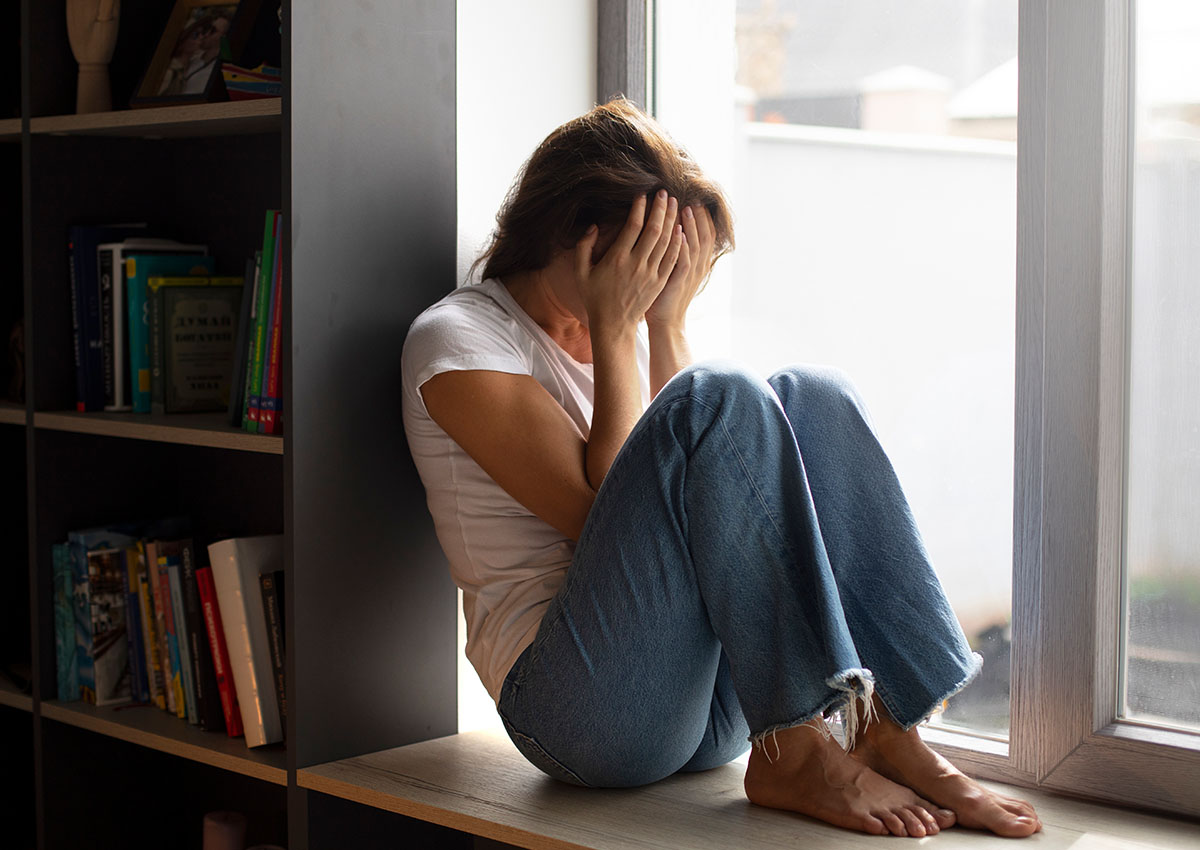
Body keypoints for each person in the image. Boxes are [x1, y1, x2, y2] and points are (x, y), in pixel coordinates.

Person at [400, 98, 1041, 838]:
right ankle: (799, 754)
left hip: (713, 711)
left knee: (813, 393)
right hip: (578, 716)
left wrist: (664, 326)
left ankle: (885, 729)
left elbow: (691, 502)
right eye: (650, 261)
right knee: (721, 394)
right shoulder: (458, 342)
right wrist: (617, 330)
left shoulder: (635, 335)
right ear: (579, 237)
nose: (657, 283)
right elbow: (600, 513)